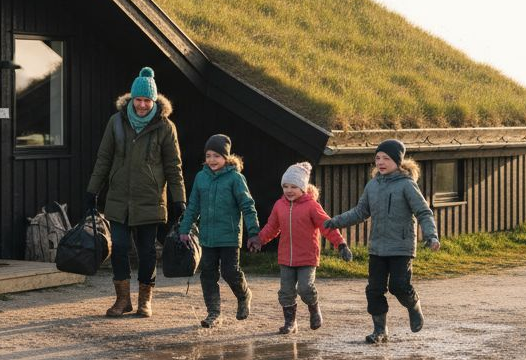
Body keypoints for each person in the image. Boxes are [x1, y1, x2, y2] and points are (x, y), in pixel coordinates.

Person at [86, 67, 186, 318]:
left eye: (147, 100)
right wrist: (93, 190)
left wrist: (179, 199)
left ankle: (145, 300)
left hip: (150, 198)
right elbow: (104, 158)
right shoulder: (116, 122)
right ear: (132, 98)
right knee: (119, 247)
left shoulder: (165, 127)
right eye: (138, 99)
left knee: (147, 251)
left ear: (154, 100)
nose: (142, 105)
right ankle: (122, 300)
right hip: (119, 197)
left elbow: (174, 166)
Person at [323, 139, 440, 344]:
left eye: (386, 158)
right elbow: (361, 211)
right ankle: (380, 331)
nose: (381, 162)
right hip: (377, 247)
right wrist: (335, 221)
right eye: (377, 158)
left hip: (401, 247)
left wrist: (431, 236)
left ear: (398, 161)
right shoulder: (373, 185)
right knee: (374, 290)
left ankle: (414, 306)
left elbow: (423, 212)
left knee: (399, 286)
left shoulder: (407, 185)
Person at [248, 161, 352, 334]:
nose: (289, 190)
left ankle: (314, 308)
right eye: (285, 186)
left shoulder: (312, 206)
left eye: (294, 186)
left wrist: (341, 245)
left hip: (307, 257)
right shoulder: (279, 205)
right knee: (286, 291)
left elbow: (327, 226)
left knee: (305, 288)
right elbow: (272, 227)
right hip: (285, 258)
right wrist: (259, 239)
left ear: (303, 188)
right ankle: (290, 322)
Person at [178, 134, 260, 328]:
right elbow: (193, 206)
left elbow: (248, 206)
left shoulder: (236, 178)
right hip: (207, 236)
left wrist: (254, 232)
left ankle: (244, 295)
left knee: (230, 272)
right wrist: (184, 229)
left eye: (216, 156)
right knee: (207, 274)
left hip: (229, 235)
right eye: (208, 155)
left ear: (226, 157)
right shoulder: (201, 177)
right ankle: (214, 313)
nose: (212, 160)